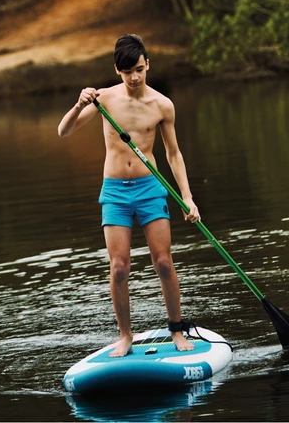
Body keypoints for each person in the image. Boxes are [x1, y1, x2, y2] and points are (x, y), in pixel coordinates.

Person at [57, 33, 201, 357]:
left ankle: (176, 330)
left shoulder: (163, 105)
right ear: (117, 71)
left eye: (139, 69)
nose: (134, 77)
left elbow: (174, 154)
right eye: (127, 72)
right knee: (119, 267)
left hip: (150, 189)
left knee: (163, 262)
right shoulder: (104, 99)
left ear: (148, 64)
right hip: (115, 192)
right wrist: (79, 103)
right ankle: (125, 336)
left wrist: (188, 198)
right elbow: (64, 131)